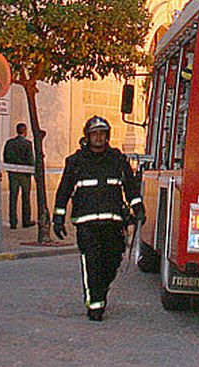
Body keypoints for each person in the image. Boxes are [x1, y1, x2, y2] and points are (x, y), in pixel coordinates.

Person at [53, 116, 142, 321]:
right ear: (87, 136)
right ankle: (95, 304)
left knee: (111, 261)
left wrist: (139, 209)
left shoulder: (118, 160)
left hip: (113, 223)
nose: (98, 137)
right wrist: (58, 217)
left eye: (102, 133)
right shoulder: (75, 162)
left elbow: (131, 188)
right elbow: (63, 190)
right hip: (87, 223)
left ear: (107, 136)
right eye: (95, 134)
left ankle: (100, 290)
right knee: (92, 261)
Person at [2, 122, 36, 229]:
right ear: (25, 132)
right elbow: (30, 159)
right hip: (25, 174)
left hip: (13, 174)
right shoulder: (27, 144)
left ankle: (13, 221)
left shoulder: (9, 143)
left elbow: (5, 156)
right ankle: (26, 220)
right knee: (26, 197)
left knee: (13, 197)